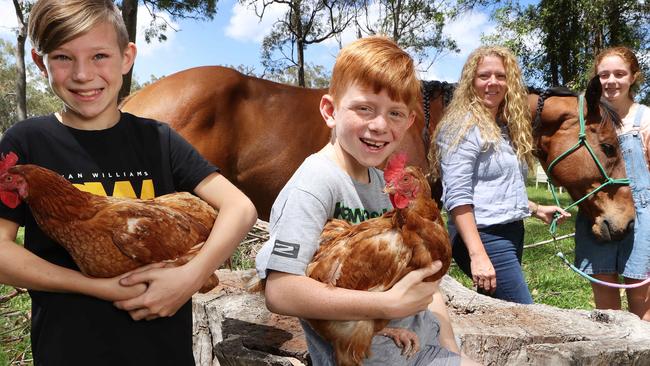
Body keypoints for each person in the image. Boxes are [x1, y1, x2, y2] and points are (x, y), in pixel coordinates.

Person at [0, 0, 257, 364]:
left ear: (126, 57)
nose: (83, 75)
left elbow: (240, 207)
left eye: (99, 56)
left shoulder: (158, 139)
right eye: (63, 57)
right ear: (41, 63)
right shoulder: (26, 143)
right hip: (67, 352)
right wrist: (99, 288)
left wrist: (191, 277)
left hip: (161, 352)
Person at [255, 36, 478, 366]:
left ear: (409, 123)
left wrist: (450, 348)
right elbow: (280, 291)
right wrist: (387, 307)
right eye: (364, 109)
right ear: (330, 111)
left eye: (395, 113)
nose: (379, 125)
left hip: (417, 344)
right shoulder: (314, 184)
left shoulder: (381, 182)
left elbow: (422, 276)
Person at [431, 46, 570, 304]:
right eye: (484, 75)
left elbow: (495, 188)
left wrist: (536, 209)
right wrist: (478, 255)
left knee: (500, 315)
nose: (492, 82)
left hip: (511, 233)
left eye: (500, 76)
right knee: (524, 314)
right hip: (484, 236)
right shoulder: (462, 127)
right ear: (471, 81)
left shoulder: (502, 127)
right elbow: (458, 197)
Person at [573, 46, 650, 321]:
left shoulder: (645, 119)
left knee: (643, 307)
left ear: (633, 77)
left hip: (641, 219)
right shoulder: (586, 121)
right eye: (604, 75)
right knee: (606, 312)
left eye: (619, 74)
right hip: (598, 214)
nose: (611, 81)